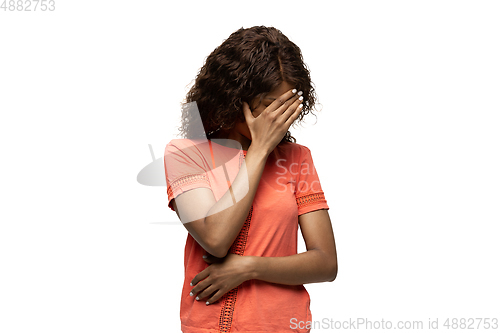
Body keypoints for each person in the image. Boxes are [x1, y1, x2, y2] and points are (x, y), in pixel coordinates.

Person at [163, 26, 337, 333]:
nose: (280, 116)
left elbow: (325, 263)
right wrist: (259, 151)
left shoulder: (297, 159)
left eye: (289, 104)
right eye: (271, 104)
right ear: (235, 97)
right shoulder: (185, 155)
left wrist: (249, 268)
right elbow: (216, 240)